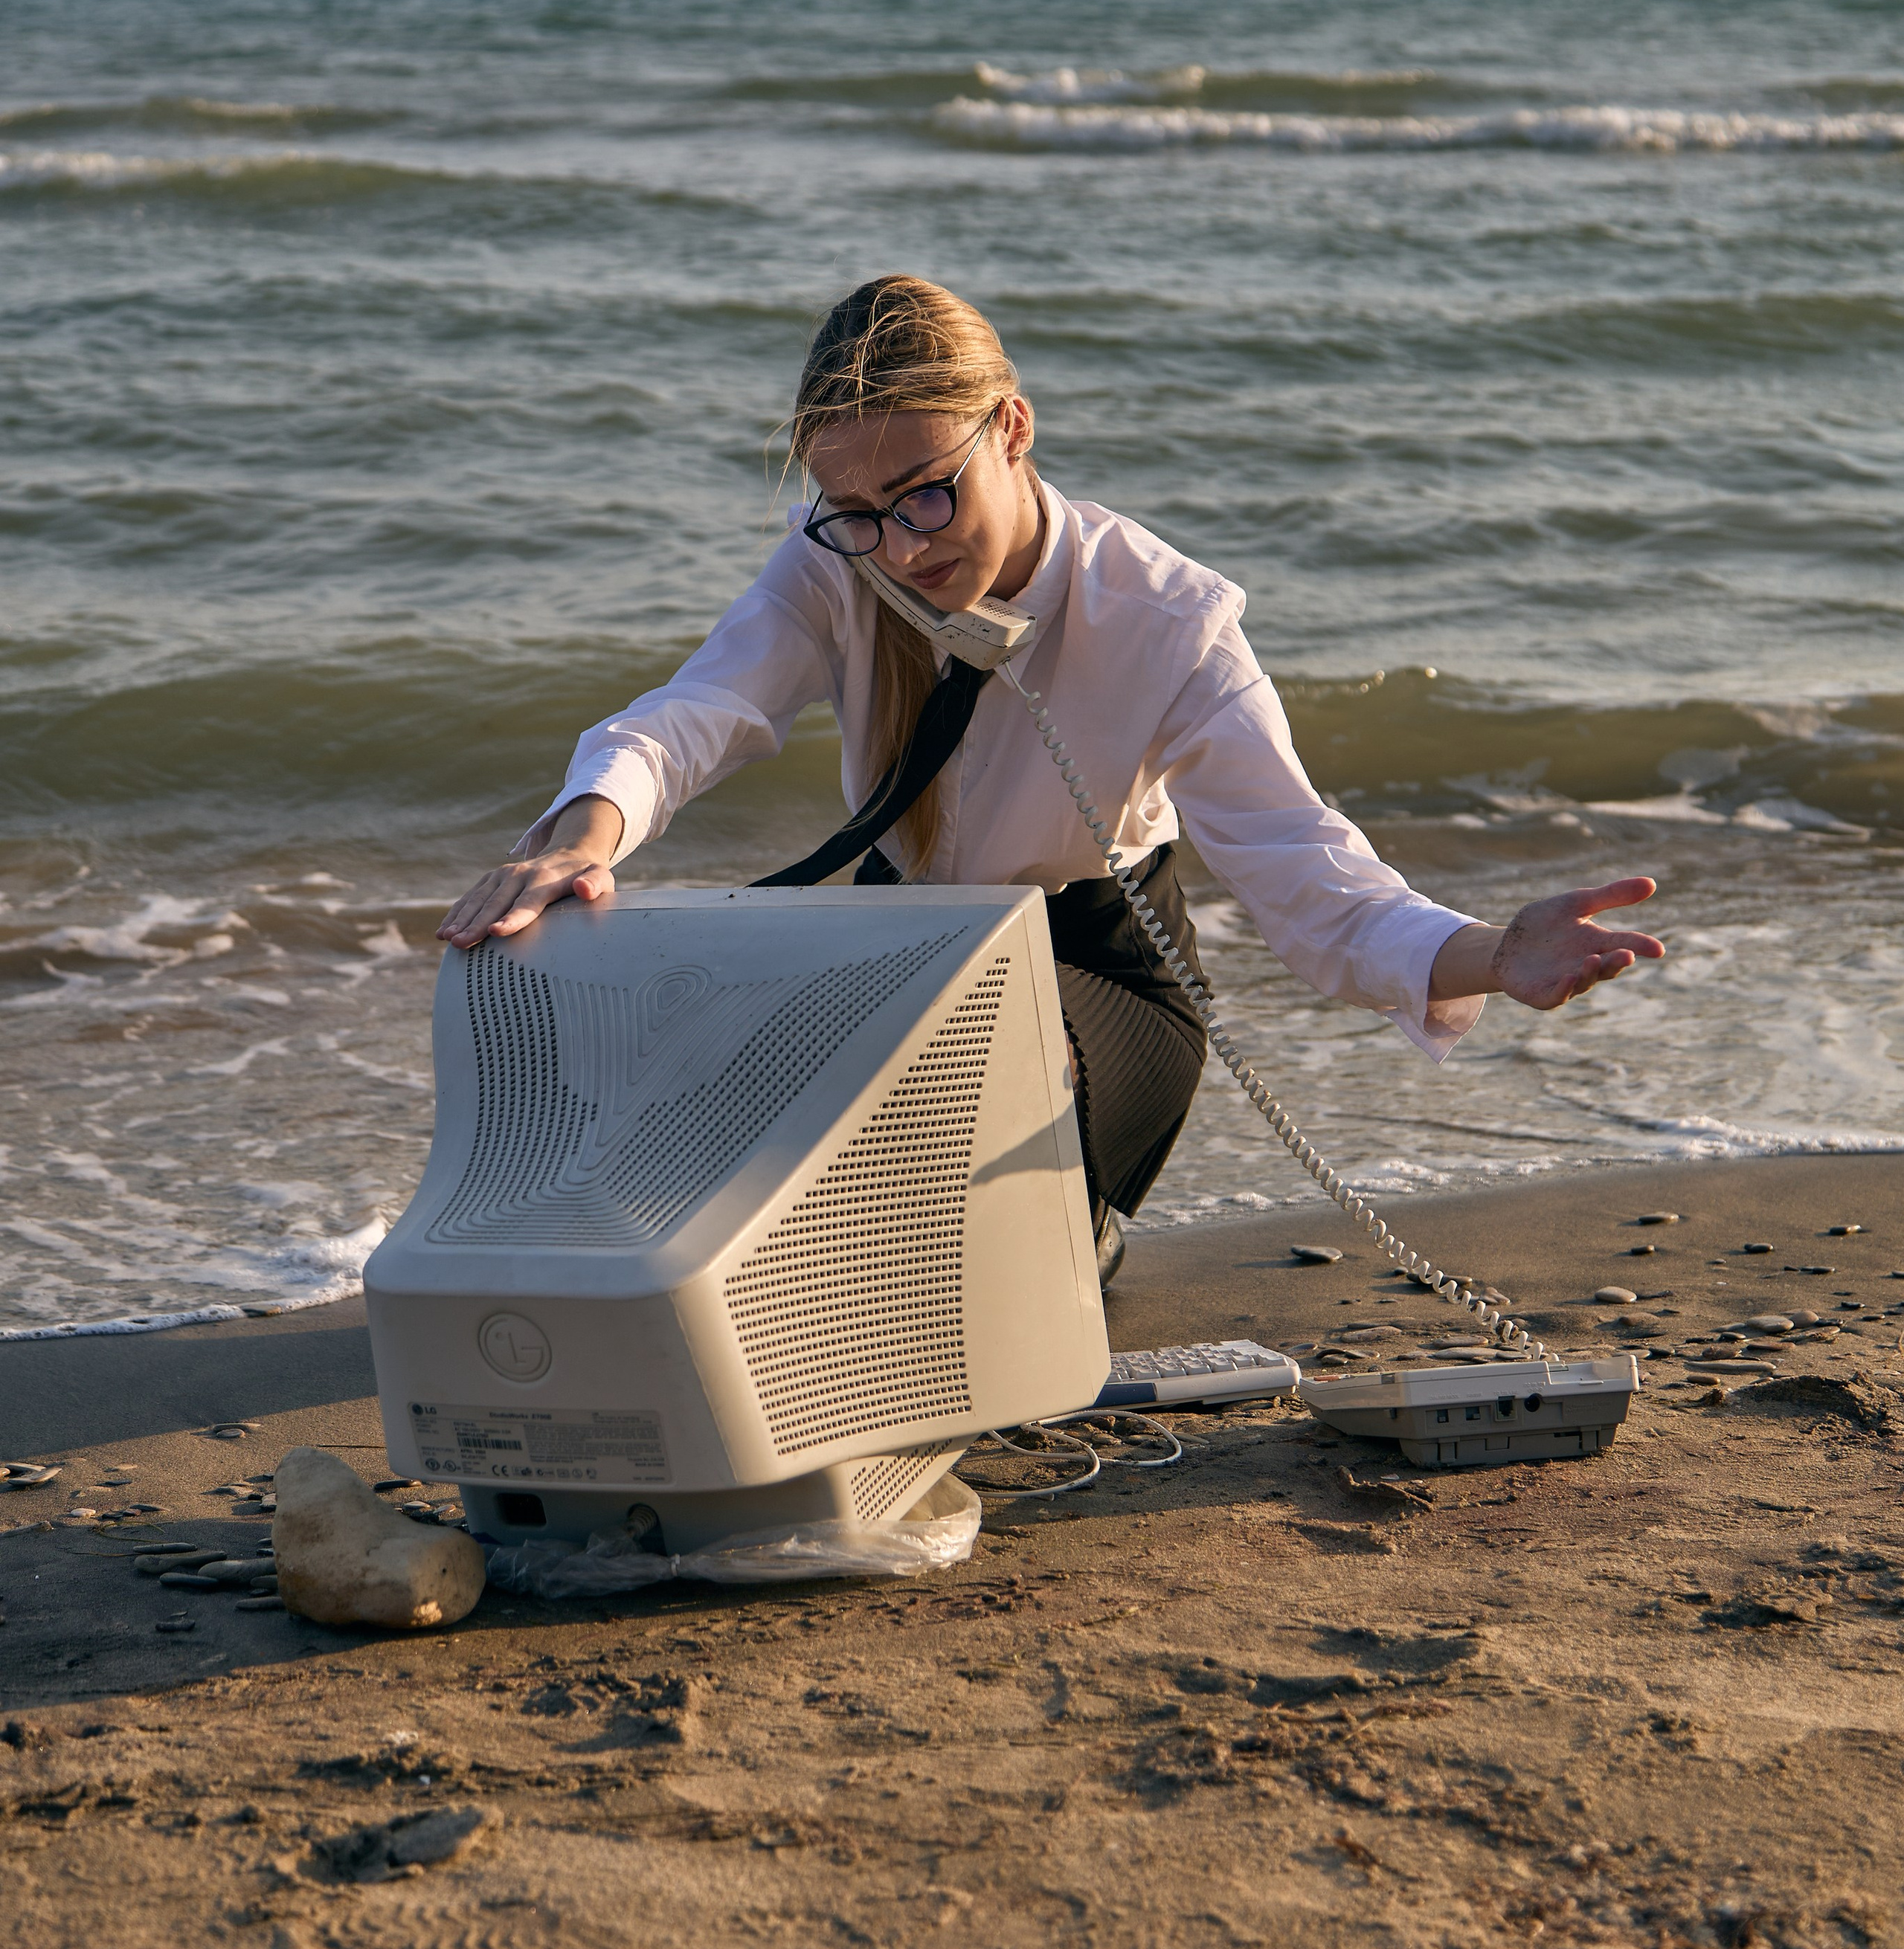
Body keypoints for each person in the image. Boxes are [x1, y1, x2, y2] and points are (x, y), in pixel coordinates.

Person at [440, 276, 1662, 1282]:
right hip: (902, 935)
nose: (902, 546)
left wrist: (1493, 954)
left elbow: (1313, 883)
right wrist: (587, 833)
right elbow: (692, 715)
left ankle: (1074, 1235)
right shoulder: (836, 567)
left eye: (929, 493)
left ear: (1011, 432)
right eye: (856, 510)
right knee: (712, 1133)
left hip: (1099, 962)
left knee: (948, 1202)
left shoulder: (1170, 621)